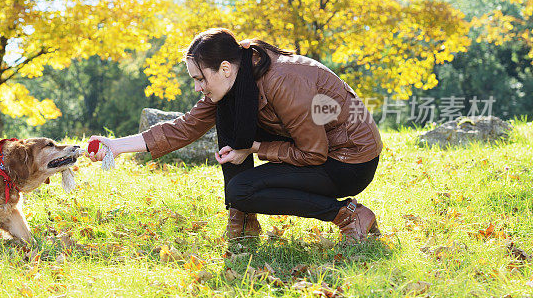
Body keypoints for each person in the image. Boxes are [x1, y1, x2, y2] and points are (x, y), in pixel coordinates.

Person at [87, 28, 382, 242]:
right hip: (314, 151)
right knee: (225, 117)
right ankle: (244, 220)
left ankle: (348, 214)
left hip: (347, 160)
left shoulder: (284, 81)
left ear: (225, 68)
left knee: (241, 190)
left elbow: (313, 153)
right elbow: (184, 128)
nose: (197, 87)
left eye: (200, 78)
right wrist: (116, 146)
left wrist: (254, 147)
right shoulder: (235, 81)